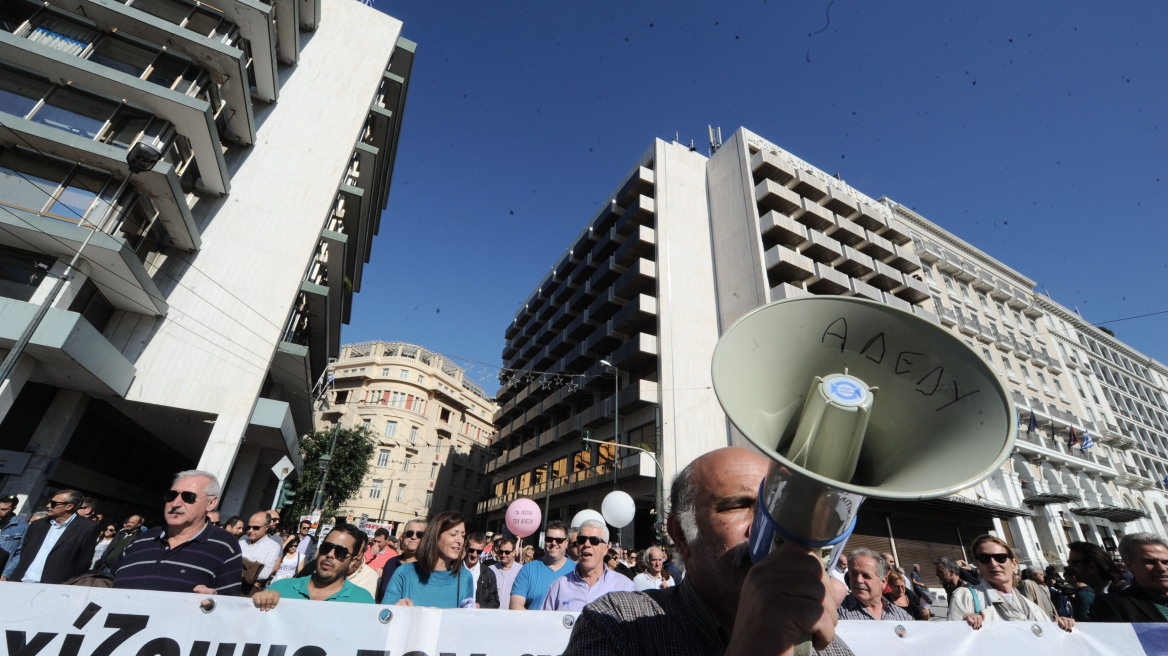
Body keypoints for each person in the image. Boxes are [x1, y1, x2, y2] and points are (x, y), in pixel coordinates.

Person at [563, 446, 851, 656]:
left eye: (774, 509)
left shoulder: (829, 647)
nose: (765, 528)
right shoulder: (616, 624)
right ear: (681, 535)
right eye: (738, 506)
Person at [113, 470, 242, 595]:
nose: (175, 503)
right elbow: (110, 580)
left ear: (211, 503)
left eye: (188, 497)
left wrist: (213, 601)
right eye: (171, 496)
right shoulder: (142, 539)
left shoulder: (225, 545)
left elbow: (229, 603)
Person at [947, 534, 1073, 631]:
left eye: (1000, 557)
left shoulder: (1033, 608)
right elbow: (954, 642)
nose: (993, 564)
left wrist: (1061, 625)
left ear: (1014, 564)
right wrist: (963, 625)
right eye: (984, 558)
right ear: (978, 566)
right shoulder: (965, 596)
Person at [251, 523, 374, 608]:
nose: (330, 555)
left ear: (353, 561)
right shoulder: (280, 589)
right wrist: (259, 600)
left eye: (340, 552)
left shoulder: (363, 601)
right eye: (326, 548)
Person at [382, 510, 475, 608]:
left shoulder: (465, 577)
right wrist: (396, 610)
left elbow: (465, 620)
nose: (460, 540)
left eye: (463, 535)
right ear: (435, 536)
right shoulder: (404, 573)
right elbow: (384, 617)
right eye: (453, 534)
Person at [8, 489, 99, 584]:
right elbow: (24, 551)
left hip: (54, 586)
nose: (48, 506)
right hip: (21, 581)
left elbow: (83, 561)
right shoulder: (37, 525)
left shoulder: (87, 528)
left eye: (53, 503)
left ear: (69, 506)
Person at [543, 520, 634, 611]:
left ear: (605, 549)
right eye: (582, 540)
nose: (586, 544)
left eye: (594, 541)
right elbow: (545, 623)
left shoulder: (624, 586)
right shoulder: (559, 586)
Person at [1090, 532, 1168, 623]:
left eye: (1166, 562)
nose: (1162, 568)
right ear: (1130, 566)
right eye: (1150, 562)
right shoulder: (1114, 605)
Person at [510, 519, 574, 609]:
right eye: (549, 539)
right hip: (532, 623)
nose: (554, 543)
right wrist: (537, 622)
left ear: (566, 543)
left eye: (559, 540)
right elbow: (515, 605)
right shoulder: (528, 569)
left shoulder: (576, 570)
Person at [836, 548, 912, 621]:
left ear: (883, 581)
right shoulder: (837, 611)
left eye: (866, 576)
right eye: (854, 574)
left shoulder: (902, 617)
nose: (858, 580)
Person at [376, 518, 425, 603]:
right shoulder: (391, 563)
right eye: (409, 534)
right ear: (402, 539)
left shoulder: (429, 568)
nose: (413, 537)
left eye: (420, 535)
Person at [240, 511, 283, 593]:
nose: (250, 530)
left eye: (255, 527)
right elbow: (230, 566)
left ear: (266, 527)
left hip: (252, 593)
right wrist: (252, 573)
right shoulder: (241, 542)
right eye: (248, 527)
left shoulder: (273, 546)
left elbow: (265, 573)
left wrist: (241, 568)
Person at [465, 531, 499, 608]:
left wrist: (479, 606)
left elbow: (495, 603)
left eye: (479, 552)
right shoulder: (455, 569)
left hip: (477, 617)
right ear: (465, 547)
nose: (474, 554)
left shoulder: (488, 573)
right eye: (471, 550)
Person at [0, 495, 29, 580]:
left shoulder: (22, 527)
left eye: (4, 509)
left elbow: (19, 554)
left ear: (14, 508)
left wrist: (5, 575)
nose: (0, 512)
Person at [489, 535, 523, 605]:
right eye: (501, 552)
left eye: (507, 552)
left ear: (514, 553)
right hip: (492, 613)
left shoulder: (521, 571)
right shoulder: (491, 569)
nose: (503, 555)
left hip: (511, 614)